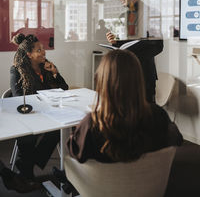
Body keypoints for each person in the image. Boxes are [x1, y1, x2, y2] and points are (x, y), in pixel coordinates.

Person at [67, 50, 183, 164]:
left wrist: (76, 132)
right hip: (148, 181)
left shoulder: (92, 123)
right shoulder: (157, 115)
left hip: (103, 182)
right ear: (138, 79)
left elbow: (76, 153)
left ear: (103, 81)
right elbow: (176, 139)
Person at [10, 33, 69, 179]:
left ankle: (27, 163)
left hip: (47, 113)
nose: (44, 52)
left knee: (59, 129)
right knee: (27, 136)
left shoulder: (46, 67)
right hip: (28, 114)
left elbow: (64, 88)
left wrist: (55, 73)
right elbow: (17, 96)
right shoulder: (17, 70)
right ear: (29, 54)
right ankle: (27, 172)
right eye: (39, 50)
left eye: (43, 49)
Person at [106, 0, 163, 103]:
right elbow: (123, 44)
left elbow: (158, 45)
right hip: (124, 75)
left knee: (144, 117)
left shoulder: (151, 13)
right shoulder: (122, 16)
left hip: (144, 75)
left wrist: (132, 55)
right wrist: (114, 42)